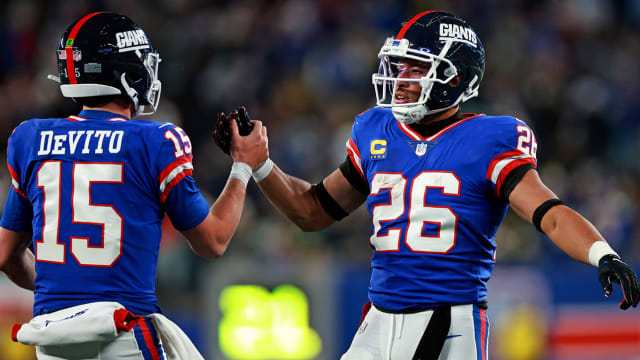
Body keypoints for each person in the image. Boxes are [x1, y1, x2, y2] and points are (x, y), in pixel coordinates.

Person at [216, 10, 640, 360]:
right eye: (399, 65)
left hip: (447, 324)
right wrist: (261, 165)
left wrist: (601, 252)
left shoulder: (489, 138)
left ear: (455, 79)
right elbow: (313, 211)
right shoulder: (376, 128)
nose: (401, 77)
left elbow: (547, 214)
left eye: (417, 67)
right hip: (377, 319)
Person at [0, 12, 268, 359]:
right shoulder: (155, 140)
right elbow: (213, 241)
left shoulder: (30, 138)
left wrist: (70, 289)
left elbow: (6, 255)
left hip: (53, 338)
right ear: (127, 73)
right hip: (123, 334)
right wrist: (243, 167)